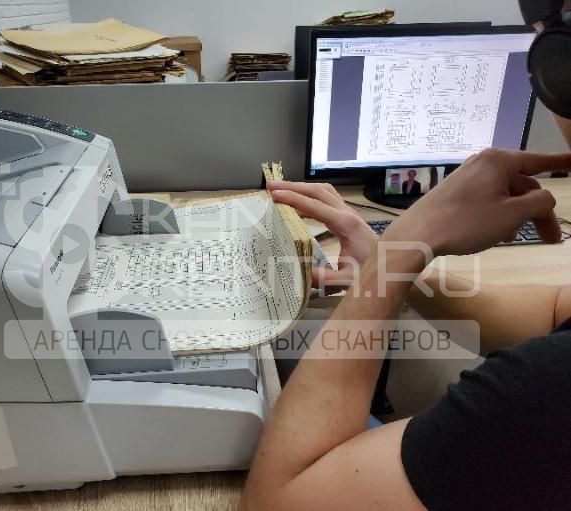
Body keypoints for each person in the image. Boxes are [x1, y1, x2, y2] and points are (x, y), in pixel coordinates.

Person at [240, 18, 571, 511]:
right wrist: (394, 267)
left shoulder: (546, 393)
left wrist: (402, 248)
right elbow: (554, 315)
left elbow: (274, 502)